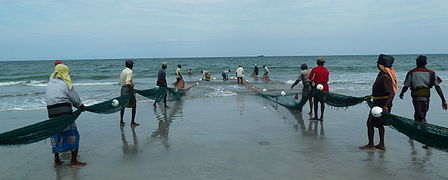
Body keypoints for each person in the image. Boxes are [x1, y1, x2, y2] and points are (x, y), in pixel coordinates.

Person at [45, 64, 87, 168]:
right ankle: (73, 162)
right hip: (64, 113)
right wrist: (81, 106)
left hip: (51, 113)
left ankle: (57, 160)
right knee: (73, 134)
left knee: (56, 135)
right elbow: (75, 98)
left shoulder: (50, 83)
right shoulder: (66, 83)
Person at [360, 54, 397, 151]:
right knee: (379, 124)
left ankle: (371, 145)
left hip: (381, 104)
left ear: (381, 65)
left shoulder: (385, 77)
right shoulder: (384, 75)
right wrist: (371, 96)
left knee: (370, 123)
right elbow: (381, 91)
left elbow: (392, 93)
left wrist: (386, 106)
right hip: (379, 102)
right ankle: (381, 144)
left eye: (378, 63)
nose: (377, 65)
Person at [399, 55, 447, 123]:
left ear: (417, 62)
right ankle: (422, 123)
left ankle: (419, 125)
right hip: (426, 95)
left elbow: (406, 86)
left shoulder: (411, 72)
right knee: (423, 111)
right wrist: (443, 100)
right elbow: (437, 87)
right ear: (426, 63)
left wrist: (402, 93)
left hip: (416, 95)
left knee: (418, 111)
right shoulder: (432, 73)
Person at [119, 60, 139, 126]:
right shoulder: (130, 71)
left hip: (122, 89)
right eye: (132, 64)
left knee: (123, 106)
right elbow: (128, 82)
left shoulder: (123, 71)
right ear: (130, 65)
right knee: (134, 105)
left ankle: (121, 121)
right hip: (128, 89)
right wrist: (131, 91)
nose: (133, 66)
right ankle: (132, 122)